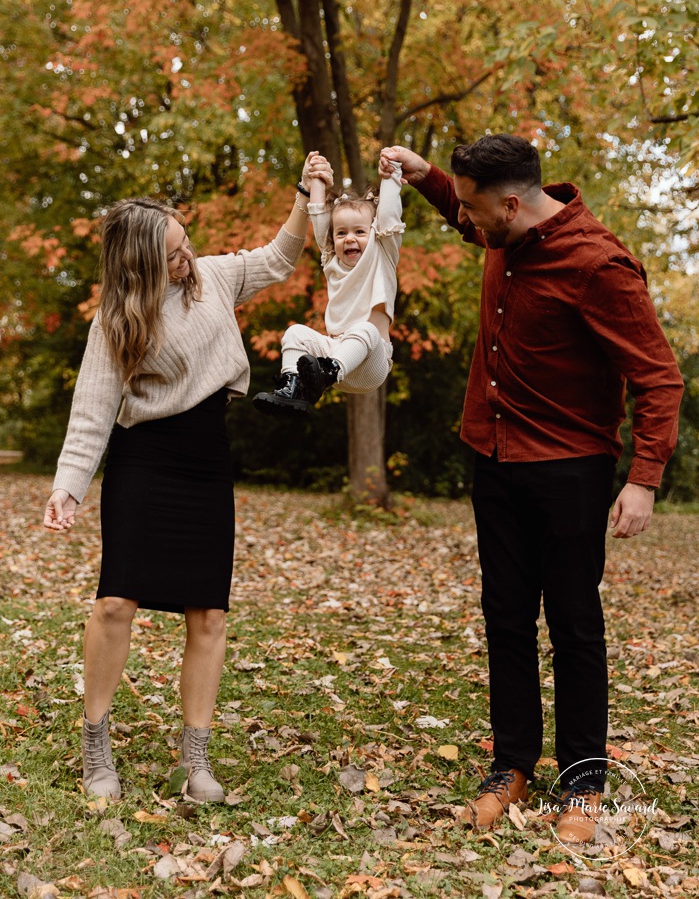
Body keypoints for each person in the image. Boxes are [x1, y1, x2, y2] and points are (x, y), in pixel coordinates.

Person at [379, 135, 683, 844]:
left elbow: (657, 376)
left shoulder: (597, 265)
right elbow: (462, 209)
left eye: (477, 211)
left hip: (569, 469)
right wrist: (425, 177)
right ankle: (511, 764)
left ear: (511, 204)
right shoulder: (503, 227)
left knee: (573, 624)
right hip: (494, 458)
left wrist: (642, 479)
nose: (470, 223)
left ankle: (581, 779)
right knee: (505, 618)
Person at [42, 152, 332, 802]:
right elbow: (92, 408)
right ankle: (96, 747)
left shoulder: (214, 278)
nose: (186, 257)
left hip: (206, 458)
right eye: (173, 253)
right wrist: (68, 487)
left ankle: (195, 760)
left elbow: (280, 257)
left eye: (186, 243)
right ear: (140, 263)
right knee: (116, 602)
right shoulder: (119, 317)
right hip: (144, 459)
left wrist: (304, 193)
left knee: (208, 613)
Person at [253, 157, 404, 414]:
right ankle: (295, 387)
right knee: (295, 333)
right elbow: (319, 216)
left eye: (359, 232)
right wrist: (316, 180)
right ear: (333, 240)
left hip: (371, 363)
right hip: (336, 352)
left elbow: (389, 215)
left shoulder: (382, 254)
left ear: (374, 233)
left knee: (365, 329)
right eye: (342, 233)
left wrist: (391, 174)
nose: (349, 239)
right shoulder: (331, 260)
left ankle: (327, 372)